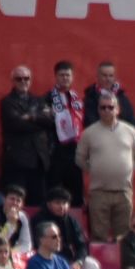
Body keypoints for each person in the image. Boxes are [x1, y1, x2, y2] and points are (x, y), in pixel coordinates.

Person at [76, 91, 135, 242]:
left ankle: (122, 266)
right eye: (103, 107)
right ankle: (101, 265)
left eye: (110, 107)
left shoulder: (130, 131)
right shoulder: (89, 133)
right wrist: (94, 170)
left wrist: (126, 171)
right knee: (99, 235)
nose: (107, 110)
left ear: (117, 109)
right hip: (99, 192)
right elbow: (80, 158)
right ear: (98, 110)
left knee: (123, 235)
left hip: (123, 191)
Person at [0, 66, 54, 206]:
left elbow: (52, 123)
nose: (23, 81)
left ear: (31, 80)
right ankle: (11, 228)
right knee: (15, 202)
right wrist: (40, 121)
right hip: (18, 162)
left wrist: (31, 117)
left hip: (39, 160)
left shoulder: (39, 100)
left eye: (26, 78)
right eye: (19, 79)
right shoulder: (7, 102)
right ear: (12, 81)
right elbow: (16, 125)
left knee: (38, 203)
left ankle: (37, 229)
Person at [47, 61, 84, 203]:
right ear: (56, 77)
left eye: (68, 75)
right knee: (55, 190)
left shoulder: (77, 98)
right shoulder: (48, 97)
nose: (65, 78)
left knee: (76, 192)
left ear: (72, 77)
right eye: (61, 75)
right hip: (56, 150)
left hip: (75, 150)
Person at [35, 186, 87, 263]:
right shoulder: (39, 220)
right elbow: (37, 245)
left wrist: (78, 262)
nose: (61, 206)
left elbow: (81, 246)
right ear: (49, 204)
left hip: (70, 259)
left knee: (92, 265)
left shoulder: (71, 221)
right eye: (57, 203)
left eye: (64, 203)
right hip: (47, 258)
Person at [83, 60, 135, 128]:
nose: (108, 79)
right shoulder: (90, 98)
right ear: (97, 76)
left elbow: (132, 122)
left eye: (111, 76)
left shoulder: (122, 97)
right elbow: (90, 122)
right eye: (104, 75)